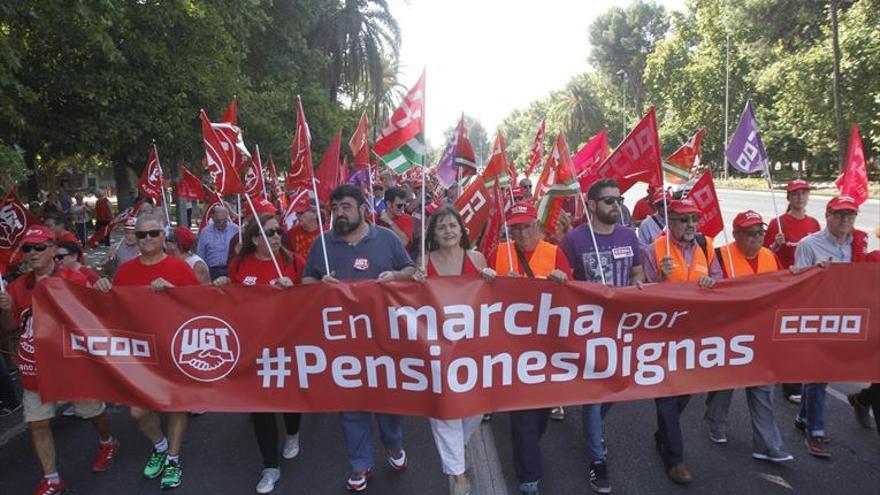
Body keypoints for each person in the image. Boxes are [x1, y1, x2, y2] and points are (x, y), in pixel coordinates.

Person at [301, 184, 415, 492]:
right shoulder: (322, 245)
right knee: (351, 405)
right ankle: (359, 464)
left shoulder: (387, 239)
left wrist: (397, 276)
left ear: (362, 209)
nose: (339, 213)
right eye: (335, 208)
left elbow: (410, 269)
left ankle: (393, 446)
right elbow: (307, 279)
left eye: (346, 207)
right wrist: (318, 285)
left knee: (388, 402)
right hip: (342, 344)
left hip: (384, 342)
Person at [0, 226, 118, 495]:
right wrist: (5, 309)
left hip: (72, 364)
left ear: (53, 250)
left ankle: (107, 441)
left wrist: (100, 288)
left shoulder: (73, 277)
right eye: (27, 248)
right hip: (36, 367)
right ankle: (52, 478)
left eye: (39, 247)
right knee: (38, 423)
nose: (32, 253)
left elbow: (100, 314)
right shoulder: (18, 287)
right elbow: (10, 330)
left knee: (92, 411)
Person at [95, 213, 200, 490]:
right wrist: (102, 289)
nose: (148, 239)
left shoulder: (180, 269)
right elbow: (112, 311)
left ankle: (174, 459)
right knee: (138, 413)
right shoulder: (126, 271)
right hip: (140, 355)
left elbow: (201, 309)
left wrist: (174, 291)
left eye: (153, 233)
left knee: (177, 406)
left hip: (175, 351)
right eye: (142, 235)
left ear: (163, 236)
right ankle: (161, 446)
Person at [560, 178, 644, 494]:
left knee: (616, 388)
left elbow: (637, 273)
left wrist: (639, 283)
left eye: (619, 200)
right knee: (595, 395)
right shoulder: (573, 240)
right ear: (592, 205)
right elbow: (564, 282)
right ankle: (598, 460)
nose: (616, 206)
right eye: (609, 201)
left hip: (623, 329)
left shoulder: (628, 236)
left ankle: (591, 423)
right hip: (589, 330)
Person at [214, 213, 304, 494]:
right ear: (255, 239)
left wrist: (296, 290)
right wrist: (222, 287)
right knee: (260, 405)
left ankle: (292, 433)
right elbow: (232, 300)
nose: (277, 236)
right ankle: (270, 467)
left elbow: (313, 297)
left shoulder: (294, 262)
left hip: (288, 344)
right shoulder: (240, 263)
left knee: (289, 399)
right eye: (270, 232)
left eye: (278, 231)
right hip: (252, 346)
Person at [487, 201, 571, 495]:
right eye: (516, 228)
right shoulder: (499, 254)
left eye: (527, 226)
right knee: (522, 414)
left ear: (537, 226)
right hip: (512, 351)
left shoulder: (554, 253)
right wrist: (492, 280)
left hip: (547, 349)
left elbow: (574, 303)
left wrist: (563, 282)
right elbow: (481, 296)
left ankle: (529, 450)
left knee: (540, 414)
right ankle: (529, 476)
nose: (522, 233)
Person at [412, 207, 495, 495]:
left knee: (475, 408)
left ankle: (455, 452)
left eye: (452, 225)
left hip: (473, 350)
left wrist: (491, 280)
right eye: (441, 227)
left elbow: (493, 298)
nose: (448, 230)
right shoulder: (424, 262)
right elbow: (411, 296)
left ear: (462, 230)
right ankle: (458, 475)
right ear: (433, 234)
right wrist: (412, 279)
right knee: (445, 412)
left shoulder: (476, 259)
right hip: (439, 351)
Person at [641, 198, 722, 485]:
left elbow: (719, 282)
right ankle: (674, 459)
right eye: (683, 220)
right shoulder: (653, 250)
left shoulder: (707, 247)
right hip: (662, 336)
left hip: (693, 336)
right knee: (666, 395)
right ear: (670, 222)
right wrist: (660, 279)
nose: (690, 225)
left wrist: (713, 284)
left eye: (694, 220)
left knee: (684, 392)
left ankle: (663, 434)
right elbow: (641, 297)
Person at [703, 210, 793, 463]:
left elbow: (783, 290)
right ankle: (715, 421)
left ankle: (767, 445)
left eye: (760, 232)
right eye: (750, 233)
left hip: (760, 336)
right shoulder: (720, 256)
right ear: (736, 234)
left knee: (762, 389)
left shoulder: (770, 257)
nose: (757, 237)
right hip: (728, 336)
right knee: (723, 386)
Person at [792, 195, 861, 459]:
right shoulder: (810, 244)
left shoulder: (858, 245)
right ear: (828, 215)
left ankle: (802, 418)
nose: (845, 219)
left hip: (847, 318)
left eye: (850, 214)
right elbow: (796, 283)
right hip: (817, 318)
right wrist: (815, 273)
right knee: (818, 374)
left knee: (822, 373)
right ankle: (816, 432)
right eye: (840, 214)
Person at [764, 179, 821, 404]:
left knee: (803, 333)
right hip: (785, 286)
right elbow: (763, 254)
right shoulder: (777, 223)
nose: (800, 198)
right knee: (789, 334)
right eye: (795, 194)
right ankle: (790, 383)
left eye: (804, 193)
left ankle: (794, 372)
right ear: (788, 197)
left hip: (807, 287)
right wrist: (775, 246)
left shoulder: (814, 223)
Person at [197, 205, 239, 280]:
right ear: (213, 218)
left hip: (231, 269)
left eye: (224, 220)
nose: (221, 223)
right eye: (218, 221)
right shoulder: (205, 232)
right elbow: (201, 254)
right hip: (213, 271)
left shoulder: (235, 229)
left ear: (227, 218)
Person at [379, 187, 415, 251]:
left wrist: (390, 222)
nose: (403, 208)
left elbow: (404, 242)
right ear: (389, 204)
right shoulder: (374, 217)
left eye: (404, 205)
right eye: (399, 206)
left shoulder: (407, 218)